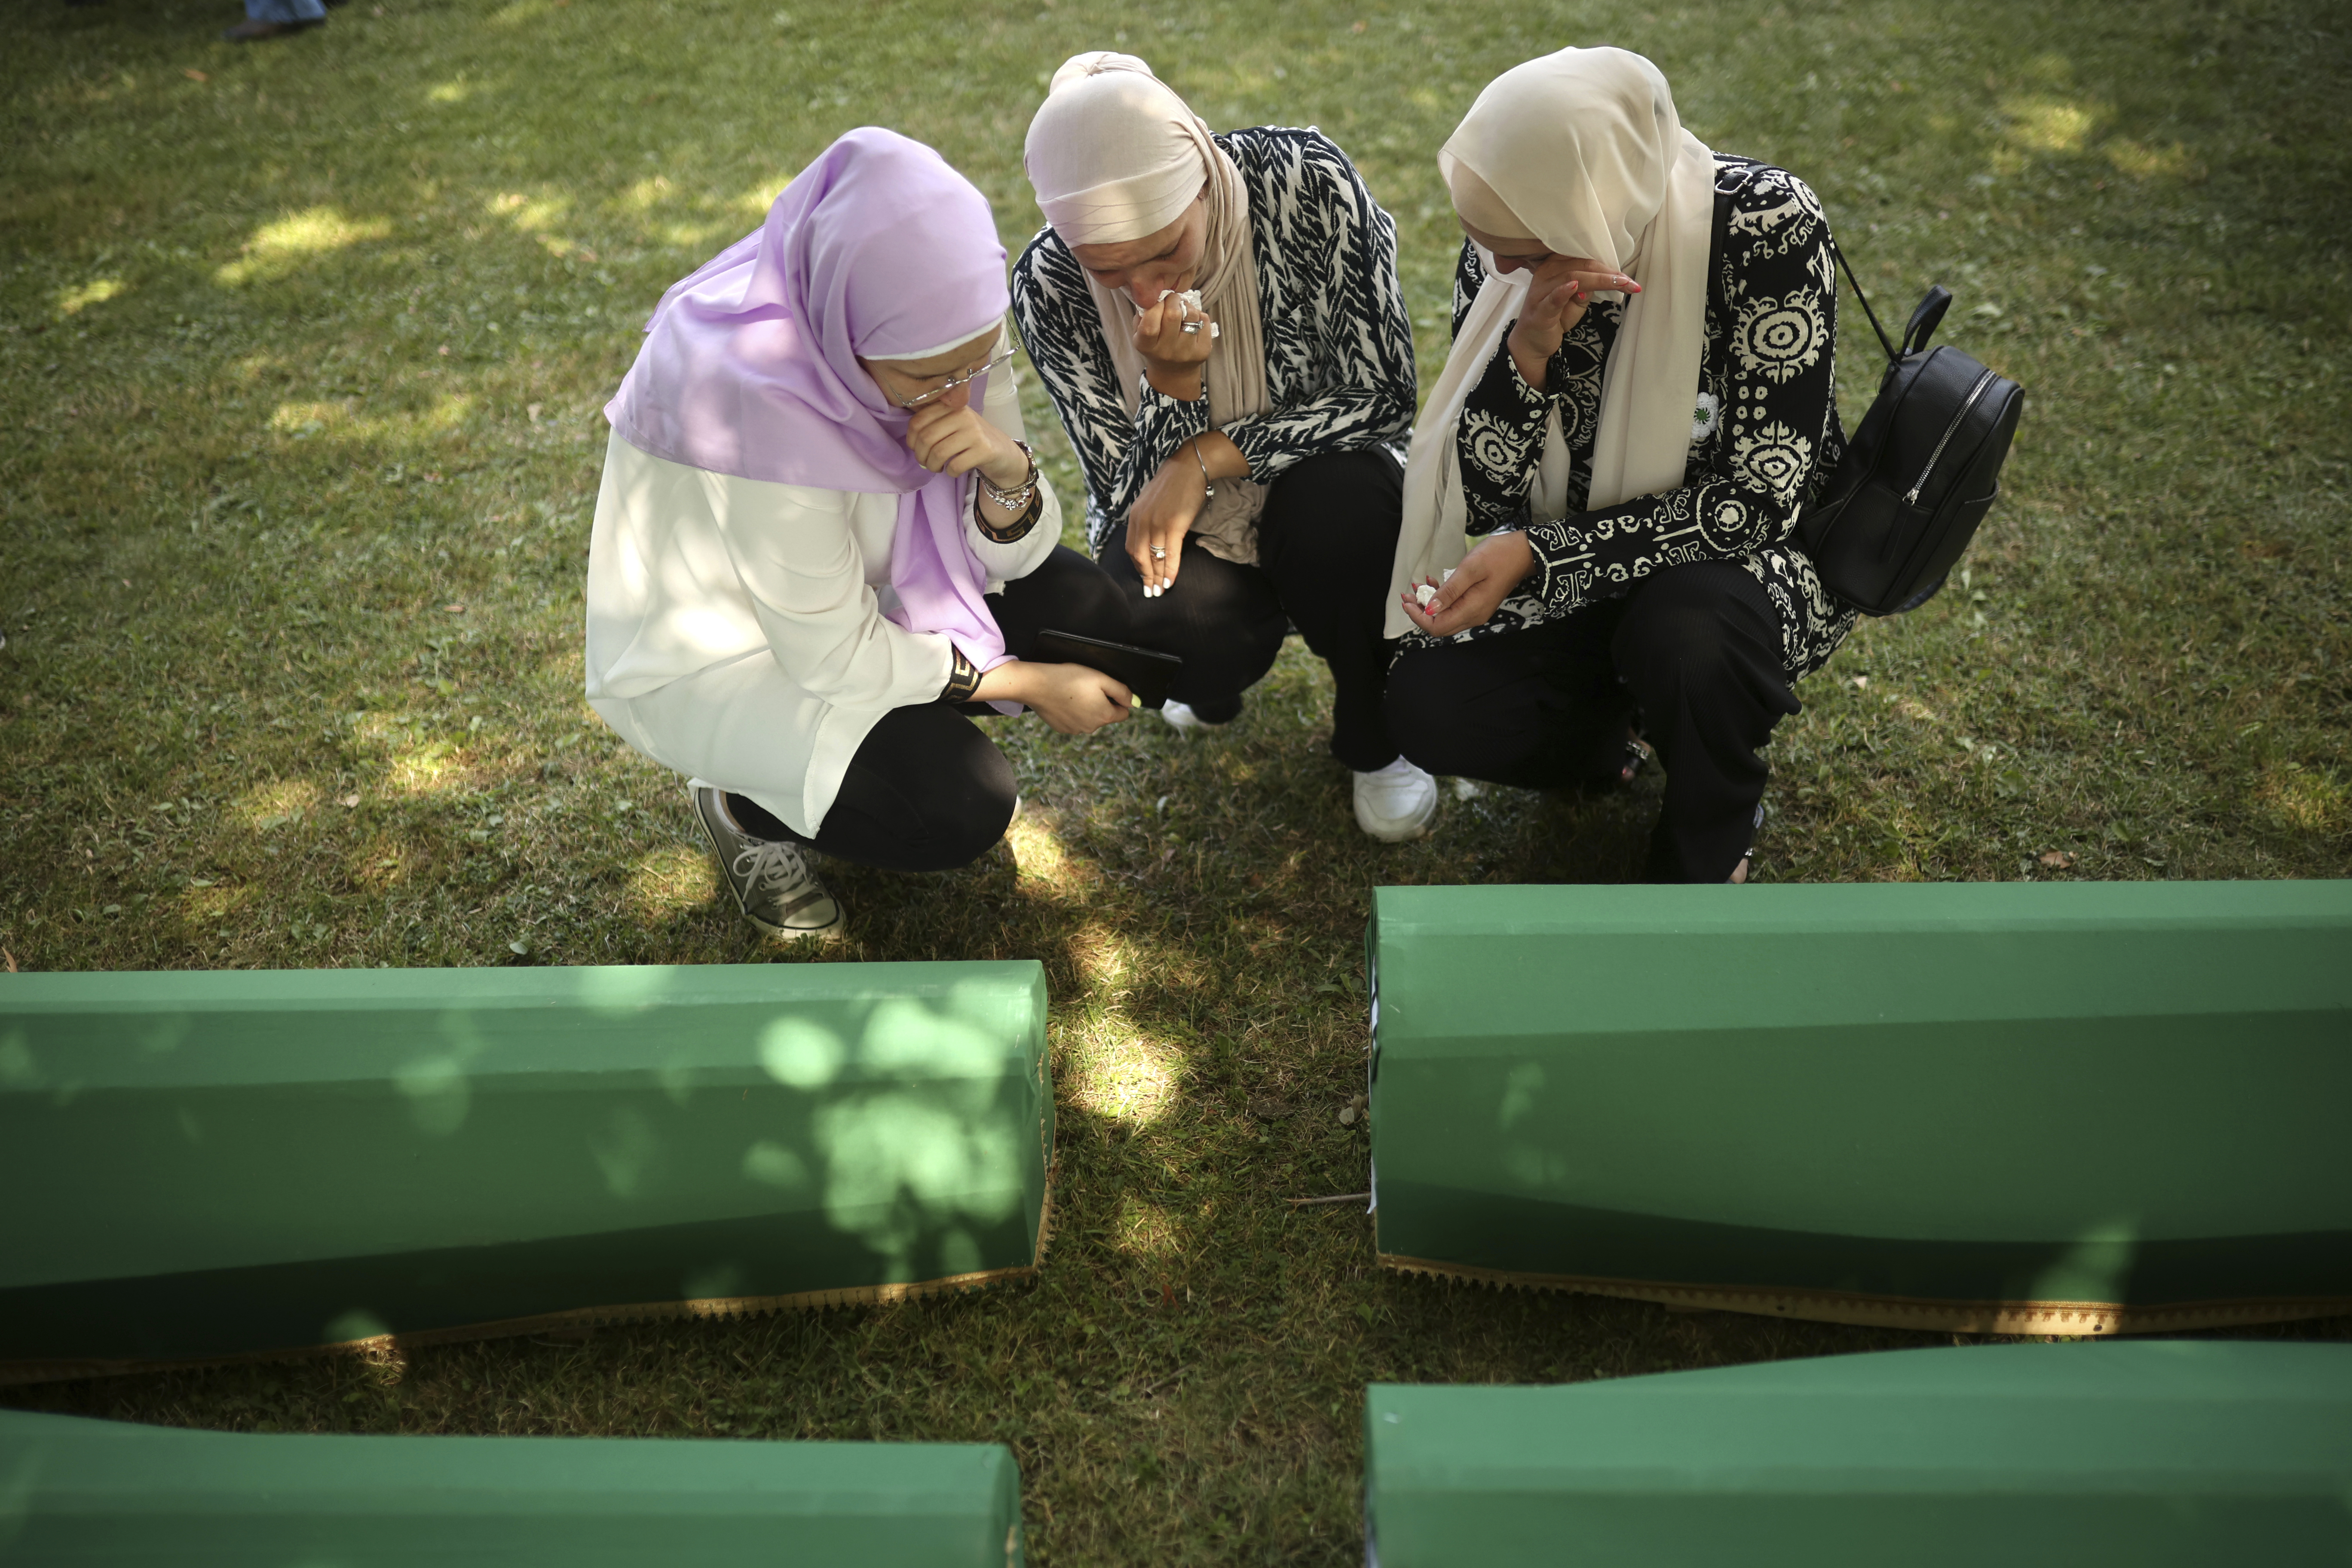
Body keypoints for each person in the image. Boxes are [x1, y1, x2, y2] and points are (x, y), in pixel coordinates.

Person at [586, 128, 1140, 940]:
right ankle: (744, 804)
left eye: (975, 366)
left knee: (1090, 616)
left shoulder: (948, 327)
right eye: (924, 381)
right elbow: (832, 653)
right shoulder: (757, 404)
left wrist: (1006, 469)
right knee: (959, 807)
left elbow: (1014, 554)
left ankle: (902, 732)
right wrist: (1024, 682)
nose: (957, 396)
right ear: (846, 330)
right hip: (740, 654)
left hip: (873, 592)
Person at [1387, 46, 1856, 882]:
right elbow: (1489, 484)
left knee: (1685, 631)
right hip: (1570, 565)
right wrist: (1527, 351)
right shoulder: (1511, 264)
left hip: (1740, 574)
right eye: (1486, 249)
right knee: (1428, 708)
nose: (1499, 274)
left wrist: (1541, 554)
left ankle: (1711, 830)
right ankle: (1610, 743)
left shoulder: (1765, 224)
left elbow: (1757, 500)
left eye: (1523, 256)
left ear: (1590, 211)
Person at [1010, 53, 1439, 843]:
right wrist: (1171, 389)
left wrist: (1203, 454)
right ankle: (1216, 678)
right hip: (1193, 525)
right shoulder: (1048, 285)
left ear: (1204, 179)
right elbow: (1121, 488)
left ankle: (1378, 738)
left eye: (1167, 253)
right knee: (1170, 617)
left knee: (1344, 513)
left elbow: (1380, 397)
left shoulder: (1305, 184)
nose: (1146, 292)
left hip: (1330, 477)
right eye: (1110, 270)